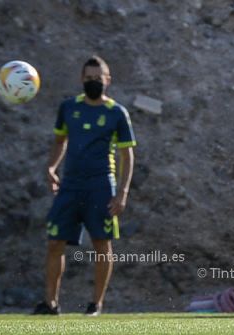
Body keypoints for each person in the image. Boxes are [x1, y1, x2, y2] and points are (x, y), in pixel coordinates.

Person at [33, 55, 137, 316]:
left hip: (101, 185)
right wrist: (51, 167)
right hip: (70, 185)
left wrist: (122, 192)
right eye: (89, 78)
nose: (93, 82)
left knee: (102, 243)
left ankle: (96, 304)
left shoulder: (116, 113)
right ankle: (51, 303)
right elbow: (60, 141)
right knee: (55, 242)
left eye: (98, 78)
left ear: (108, 80)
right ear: (81, 79)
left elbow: (127, 155)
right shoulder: (68, 108)